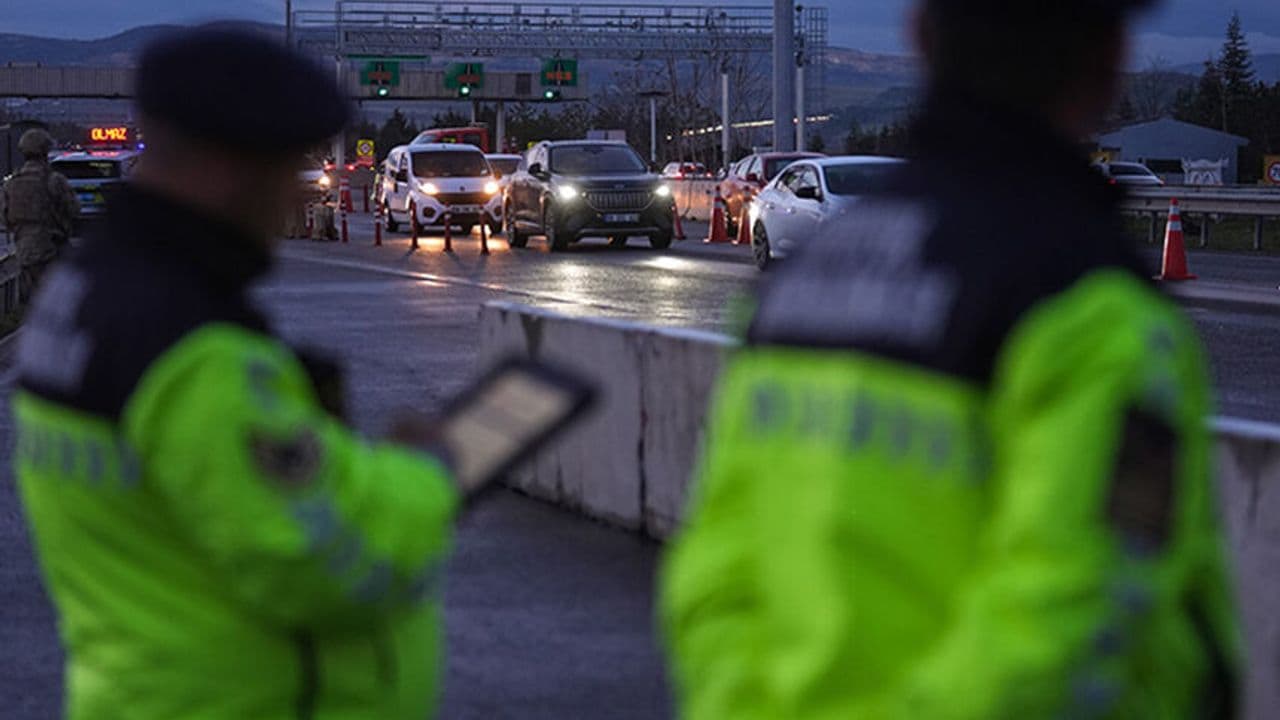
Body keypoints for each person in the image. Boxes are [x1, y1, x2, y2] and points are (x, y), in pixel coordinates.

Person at [661, 1, 1240, 717]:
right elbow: (1078, 618)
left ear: (922, 41)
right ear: (1108, 57)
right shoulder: (1086, 302)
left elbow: (714, 575)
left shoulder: (802, 286)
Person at [14, 28, 461, 719]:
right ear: (229, 166)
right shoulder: (191, 349)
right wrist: (425, 477)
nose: (292, 201)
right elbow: (326, 567)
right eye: (285, 169)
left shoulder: (85, 292)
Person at [0, 127, 78, 301]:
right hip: (52, 250)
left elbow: (4, 217)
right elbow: (73, 209)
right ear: (45, 150)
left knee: (30, 305)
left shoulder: (11, 183)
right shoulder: (54, 180)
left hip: (23, 252)